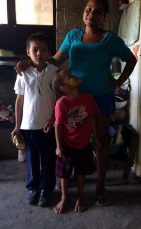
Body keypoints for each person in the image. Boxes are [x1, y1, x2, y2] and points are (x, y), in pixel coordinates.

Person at [15, 0, 137, 206]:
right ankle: (70, 175)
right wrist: (31, 61)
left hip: (99, 96)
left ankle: (99, 186)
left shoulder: (110, 39)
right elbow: (54, 60)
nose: (91, 14)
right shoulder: (73, 36)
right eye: (88, 9)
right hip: (73, 98)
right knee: (71, 138)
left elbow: (131, 59)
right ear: (84, 11)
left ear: (103, 16)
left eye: (97, 11)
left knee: (100, 142)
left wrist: (119, 81)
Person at [11, 33, 58, 207]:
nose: (39, 53)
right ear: (28, 52)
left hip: (48, 125)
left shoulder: (54, 72)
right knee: (31, 158)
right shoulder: (23, 73)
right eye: (35, 49)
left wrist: (53, 120)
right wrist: (17, 126)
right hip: (28, 125)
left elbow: (58, 99)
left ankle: (46, 188)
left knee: (48, 158)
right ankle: (33, 188)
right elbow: (19, 100)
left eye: (43, 50)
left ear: (49, 52)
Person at [52, 69, 100, 213]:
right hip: (67, 144)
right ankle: (64, 198)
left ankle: (80, 197)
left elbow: (92, 119)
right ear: (64, 88)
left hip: (84, 144)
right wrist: (58, 146)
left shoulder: (88, 98)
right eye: (69, 77)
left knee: (81, 172)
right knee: (64, 173)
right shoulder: (62, 103)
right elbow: (58, 125)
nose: (73, 76)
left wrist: (96, 138)